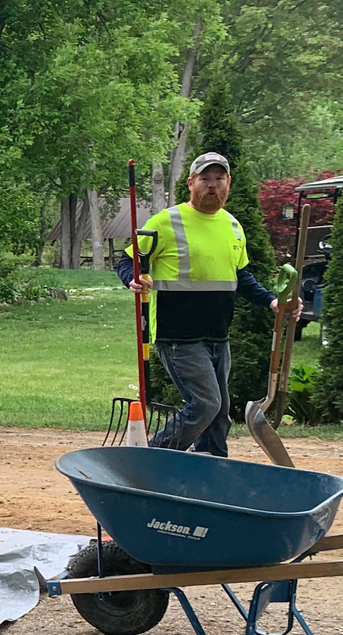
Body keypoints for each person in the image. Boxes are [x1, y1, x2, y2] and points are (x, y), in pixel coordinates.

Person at [117, 152, 300, 456]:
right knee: (205, 405)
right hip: (178, 336)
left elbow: (240, 276)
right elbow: (128, 260)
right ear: (191, 183)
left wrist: (271, 301)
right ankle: (150, 456)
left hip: (218, 335)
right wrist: (131, 279)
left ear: (229, 183)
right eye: (205, 178)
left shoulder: (232, 226)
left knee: (220, 413)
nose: (213, 185)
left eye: (219, 178)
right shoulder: (167, 221)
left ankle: (213, 464)